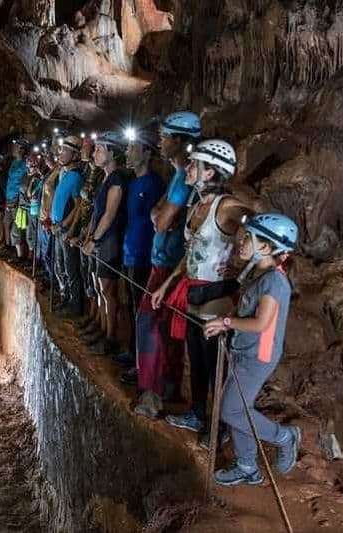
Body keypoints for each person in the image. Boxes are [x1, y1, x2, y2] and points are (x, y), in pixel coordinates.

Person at [151, 139, 251, 443]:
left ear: (210, 173)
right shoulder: (198, 206)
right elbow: (191, 251)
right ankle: (197, 412)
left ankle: (220, 425)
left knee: (213, 362)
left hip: (215, 298)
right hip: (191, 292)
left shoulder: (228, 206)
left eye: (195, 165)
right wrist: (167, 285)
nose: (188, 168)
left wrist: (241, 268)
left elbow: (261, 235)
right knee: (195, 357)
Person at [203, 213, 301, 486]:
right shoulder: (258, 273)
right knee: (239, 407)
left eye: (249, 238)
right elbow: (246, 307)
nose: (242, 242)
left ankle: (284, 437)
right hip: (244, 349)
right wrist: (228, 325)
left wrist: (225, 322)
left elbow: (260, 323)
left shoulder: (276, 282)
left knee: (231, 411)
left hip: (258, 356)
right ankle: (247, 465)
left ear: (267, 247)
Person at [128, 111, 201, 419]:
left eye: (166, 136)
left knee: (150, 325)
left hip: (172, 266)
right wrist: (159, 214)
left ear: (182, 141)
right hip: (169, 263)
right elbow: (158, 215)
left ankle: (152, 393)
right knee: (167, 330)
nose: (160, 140)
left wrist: (160, 215)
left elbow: (162, 221)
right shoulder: (177, 175)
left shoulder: (185, 176)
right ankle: (168, 385)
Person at [117, 124, 165, 367]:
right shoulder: (132, 183)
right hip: (129, 251)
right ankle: (132, 351)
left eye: (132, 147)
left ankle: (141, 364)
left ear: (147, 152)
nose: (127, 152)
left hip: (144, 255)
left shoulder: (154, 184)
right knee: (130, 305)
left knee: (142, 311)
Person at [83, 131, 128, 356]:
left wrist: (95, 239)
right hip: (101, 239)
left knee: (107, 290)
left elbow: (109, 215)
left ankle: (111, 337)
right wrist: (90, 237)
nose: (95, 153)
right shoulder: (105, 178)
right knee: (100, 288)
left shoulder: (117, 180)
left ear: (112, 153)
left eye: (100, 149)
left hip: (109, 241)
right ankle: (101, 328)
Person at [74, 136, 105, 342]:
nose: (86, 152)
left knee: (96, 280)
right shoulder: (89, 172)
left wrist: (90, 236)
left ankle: (98, 321)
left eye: (88, 148)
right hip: (87, 230)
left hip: (95, 233)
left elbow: (97, 209)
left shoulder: (101, 175)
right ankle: (91, 316)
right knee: (88, 276)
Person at [51, 135, 85, 317]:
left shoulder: (76, 177)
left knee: (70, 268)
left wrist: (65, 224)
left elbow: (78, 205)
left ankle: (75, 306)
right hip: (58, 227)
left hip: (65, 229)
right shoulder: (65, 174)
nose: (61, 153)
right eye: (61, 149)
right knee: (60, 266)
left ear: (75, 154)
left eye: (65, 150)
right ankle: (66, 298)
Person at [38, 147, 62, 288]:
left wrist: (49, 218)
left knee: (49, 253)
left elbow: (56, 198)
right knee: (45, 251)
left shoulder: (60, 174)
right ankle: (49, 276)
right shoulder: (52, 172)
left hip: (49, 218)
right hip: (43, 215)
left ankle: (54, 283)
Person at [5, 139, 29, 255]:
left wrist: (19, 198)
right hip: (9, 197)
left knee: (17, 228)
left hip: (18, 198)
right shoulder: (14, 162)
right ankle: (12, 251)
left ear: (22, 150)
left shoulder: (25, 164)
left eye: (16, 147)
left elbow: (25, 182)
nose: (14, 148)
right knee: (7, 224)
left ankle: (20, 255)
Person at [25, 152, 44, 267]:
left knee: (37, 237)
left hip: (38, 211)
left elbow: (33, 195)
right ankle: (33, 259)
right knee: (31, 235)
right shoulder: (34, 179)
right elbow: (29, 194)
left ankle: (37, 260)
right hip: (32, 210)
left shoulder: (40, 179)